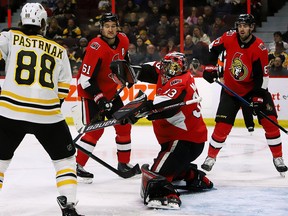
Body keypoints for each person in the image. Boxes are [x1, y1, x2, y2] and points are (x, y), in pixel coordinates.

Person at [0, 3, 82, 216]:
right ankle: (69, 205)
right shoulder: (59, 50)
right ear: (44, 23)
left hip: (9, 112)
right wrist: (52, 106)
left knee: (0, 160)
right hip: (47, 113)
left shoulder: (9, 37)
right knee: (64, 160)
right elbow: (64, 86)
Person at [113, 52, 213, 209]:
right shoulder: (165, 71)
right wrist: (127, 72)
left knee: (155, 176)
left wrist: (135, 112)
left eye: (173, 67)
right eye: (166, 66)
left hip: (182, 142)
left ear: (180, 69)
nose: (166, 70)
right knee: (170, 165)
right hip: (185, 140)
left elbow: (164, 107)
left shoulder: (180, 81)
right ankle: (190, 175)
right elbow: (146, 70)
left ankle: (166, 195)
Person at [201, 14, 288, 175]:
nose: (241, 28)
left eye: (245, 26)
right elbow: (212, 48)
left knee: (271, 123)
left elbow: (262, 77)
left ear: (251, 27)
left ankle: (278, 157)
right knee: (222, 127)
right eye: (239, 25)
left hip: (254, 89)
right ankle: (210, 157)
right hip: (230, 90)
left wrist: (258, 97)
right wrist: (210, 68)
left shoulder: (259, 48)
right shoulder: (228, 37)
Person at [75, 12, 141, 183]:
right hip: (90, 92)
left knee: (124, 125)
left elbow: (124, 59)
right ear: (101, 28)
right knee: (96, 130)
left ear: (118, 27)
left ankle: (123, 164)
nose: (110, 30)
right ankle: (78, 166)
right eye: (107, 26)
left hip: (111, 92)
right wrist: (100, 99)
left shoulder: (124, 40)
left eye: (113, 26)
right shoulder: (95, 47)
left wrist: (128, 76)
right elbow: (85, 79)